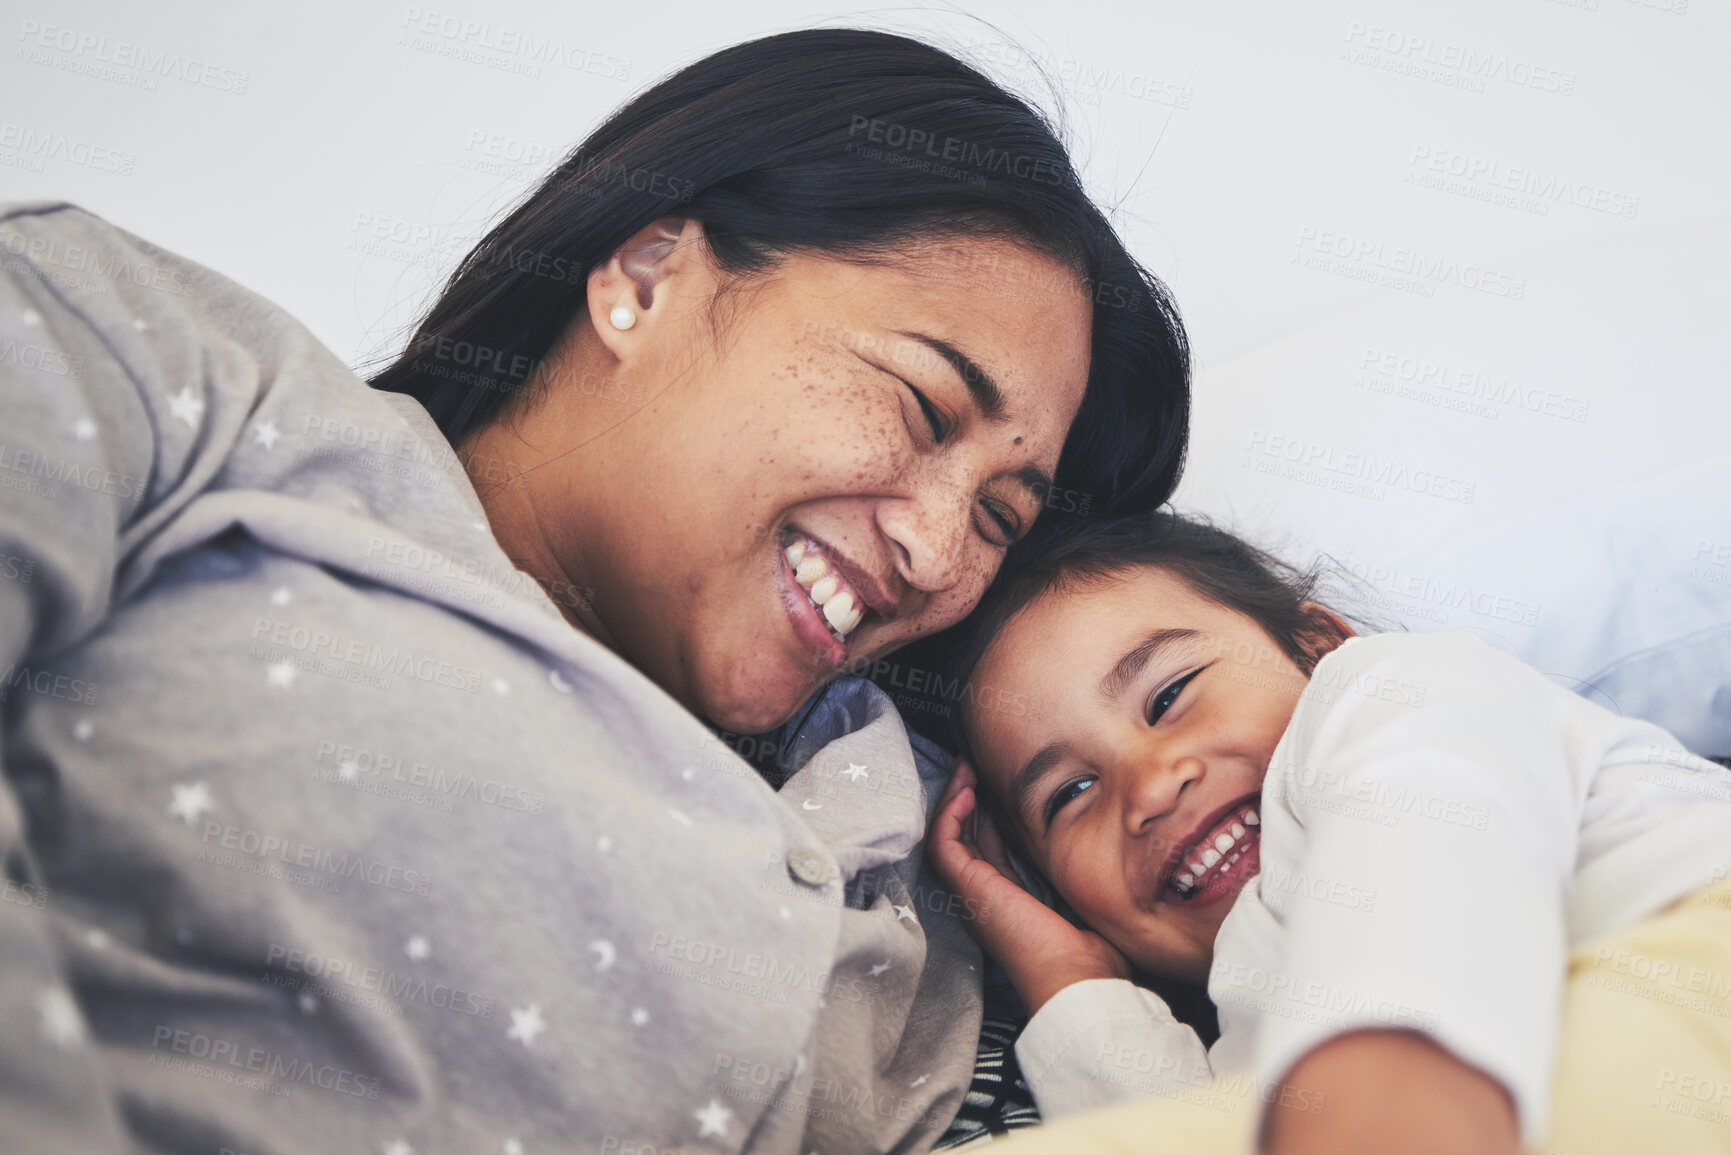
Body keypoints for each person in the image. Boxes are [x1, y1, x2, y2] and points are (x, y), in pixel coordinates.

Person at [0, 29, 1191, 1155]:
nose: (939, 556)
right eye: (924, 407)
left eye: (999, 517)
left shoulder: (923, 849)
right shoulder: (177, 375)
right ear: (646, 277)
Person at [927, 510, 1731, 1154]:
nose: (1147, 786)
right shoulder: (1237, 1030)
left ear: (1317, 645)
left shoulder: (1392, 690)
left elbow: (1429, 825)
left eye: (1169, 695)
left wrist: (1389, 1097)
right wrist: (1068, 977)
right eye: (1070, 793)